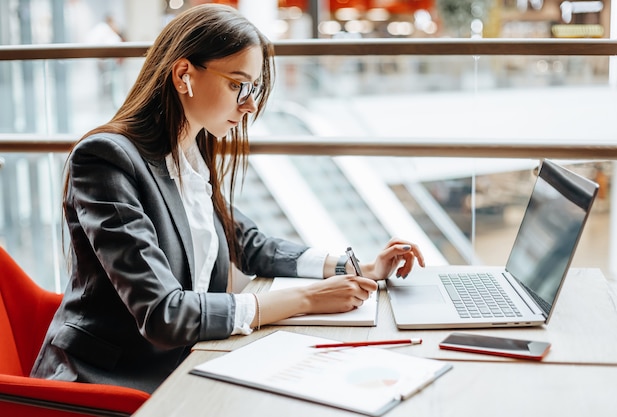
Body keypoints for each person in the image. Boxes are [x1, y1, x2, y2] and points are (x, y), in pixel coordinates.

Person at [31, 4, 425, 394]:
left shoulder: (191, 155)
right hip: (107, 381)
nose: (250, 104)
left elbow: (248, 244)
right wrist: (305, 299)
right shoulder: (106, 159)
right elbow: (164, 315)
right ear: (184, 74)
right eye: (238, 84)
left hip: (186, 362)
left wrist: (358, 266)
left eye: (252, 88)